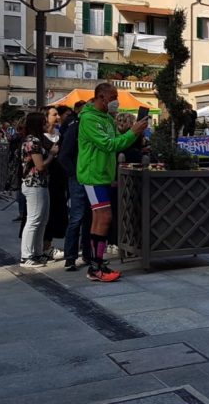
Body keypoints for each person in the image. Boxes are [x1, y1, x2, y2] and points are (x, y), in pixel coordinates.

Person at [77, 83, 147, 282]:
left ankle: (96, 265)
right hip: (93, 175)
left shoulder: (107, 118)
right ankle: (95, 265)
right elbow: (109, 145)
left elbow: (119, 143)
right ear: (101, 97)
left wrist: (135, 132)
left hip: (102, 174)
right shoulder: (89, 119)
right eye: (113, 96)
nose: (116, 100)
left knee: (100, 218)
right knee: (104, 217)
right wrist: (133, 131)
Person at [58, 101, 92, 272]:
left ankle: (87, 253)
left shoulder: (90, 127)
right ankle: (70, 257)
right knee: (78, 217)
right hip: (79, 178)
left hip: (92, 177)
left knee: (89, 218)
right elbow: (63, 156)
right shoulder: (75, 127)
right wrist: (75, 174)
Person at [19, 111, 55, 267]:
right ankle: (26, 256)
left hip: (40, 184)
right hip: (33, 184)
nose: (47, 124)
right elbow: (39, 166)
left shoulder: (35, 140)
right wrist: (52, 155)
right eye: (44, 122)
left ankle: (37, 253)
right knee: (34, 220)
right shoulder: (32, 141)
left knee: (42, 220)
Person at [40, 106, 68, 261]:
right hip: (46, 179)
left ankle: (49, 244)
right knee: (46, 214)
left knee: (58, 211)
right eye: (54, 114)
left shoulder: (59, 134)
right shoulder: (39, 137)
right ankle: (45, 247)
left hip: (60, 178)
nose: (57, 117)